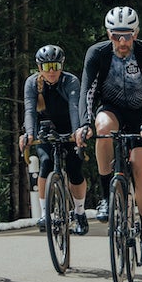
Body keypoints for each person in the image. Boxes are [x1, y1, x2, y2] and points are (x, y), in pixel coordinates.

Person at [75, 6, 142, 267]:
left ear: (136, 34)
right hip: (111, 110)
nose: (122, 42)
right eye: (116, 36)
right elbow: (86, 91)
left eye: (127, 36)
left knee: (141, 166)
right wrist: (83, 124)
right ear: (108, 34)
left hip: (140, 115)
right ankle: (105, 197)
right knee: (102, 129)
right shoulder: (97, 53)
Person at [20, 44, 89, 235]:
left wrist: (77, 132)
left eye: (56, 67)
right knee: (46, 162)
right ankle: (44, 213)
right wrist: (29, 134)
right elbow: (29, 110)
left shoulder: (70, 81)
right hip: (45, 129)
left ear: (62, 66)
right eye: (47, 67)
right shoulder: (32, 83)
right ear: (39, 68)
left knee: (75, 168)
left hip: (69, 128)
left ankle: (80, 212)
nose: (52, 72)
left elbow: (75, 108)